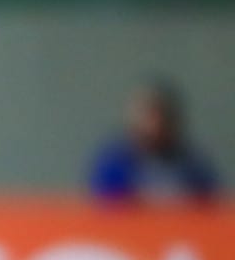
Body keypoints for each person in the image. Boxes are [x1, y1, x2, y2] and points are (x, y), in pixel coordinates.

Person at [88, 81, 220, 206]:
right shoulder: (114, 163)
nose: (154, 125)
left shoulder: (193, 165)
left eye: (160, 115)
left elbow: (209, 208)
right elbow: (105, 209)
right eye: (147, 116)